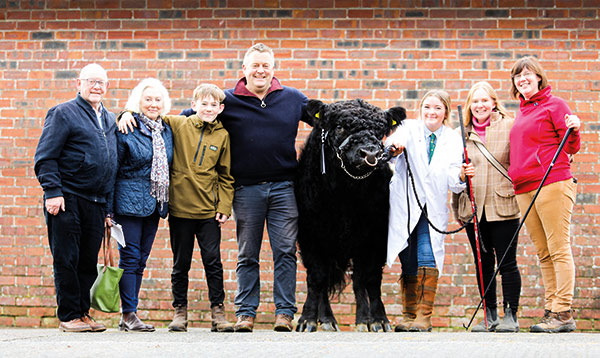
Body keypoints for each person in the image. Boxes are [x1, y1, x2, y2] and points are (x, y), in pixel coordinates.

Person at [180, 43, 310, 332]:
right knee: (247, 253)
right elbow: (186, 116)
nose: (260, 70)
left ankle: (285, 314)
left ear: (273, 69)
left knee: (285, 252)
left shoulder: (292, 98)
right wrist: (130, 114)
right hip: (246, 190)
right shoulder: (227, 100)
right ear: (245, 69)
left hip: (284, 188)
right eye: (255, 65)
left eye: (265, 65)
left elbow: (326, 119)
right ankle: (246, 313)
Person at [118, 84, 235, 333]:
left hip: (208, 212)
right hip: (180, 211)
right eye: (203, 103)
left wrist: (224, 205)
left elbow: (226, 176)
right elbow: (147, 114)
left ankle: (219, 312)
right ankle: (180, 312)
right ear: (193, 105)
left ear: (221, 108)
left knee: (213, 262)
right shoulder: (177, 124)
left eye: (214, 105)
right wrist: (125, 113)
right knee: (180, 264)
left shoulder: (223, 136)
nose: (208, 108)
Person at [34, 63, 117, 332]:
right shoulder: (63, 113)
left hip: (96, 201)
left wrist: (107, 208)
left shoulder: (109, 119)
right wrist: (53, 192)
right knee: (66, 258)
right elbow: (45, 157)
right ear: (78, 83)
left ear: (107, 87)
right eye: (91, 81)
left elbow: (111, 163)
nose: (96, 86)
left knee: (87, 262)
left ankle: (83, 313)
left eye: (101, 82)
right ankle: (69, 316)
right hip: (67, 197)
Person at [386, 89, 474, 332]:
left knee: (427, 254)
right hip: (405, 203)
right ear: (421, 109)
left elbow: (454, 181)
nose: (431, 112)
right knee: (408, 258)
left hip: (431, 207)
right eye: (427, 107)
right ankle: (409, 314)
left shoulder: (454, 139)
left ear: (445, 111)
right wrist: (394, 146)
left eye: (437, 108)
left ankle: (424, 317)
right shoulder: (408, 128)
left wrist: (461, 175)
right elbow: (389, 153)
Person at [508, 56, 581, 333]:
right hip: (524, 188)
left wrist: (575, 129)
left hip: (552, 182)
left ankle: (563, 312)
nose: (522, 79)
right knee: (544, 252)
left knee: (558, 247)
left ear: (539, 77)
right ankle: (552, 309)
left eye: (527, 74)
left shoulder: (555, 104)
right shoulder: (523, 111)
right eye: (517, 76)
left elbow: (571, 145)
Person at [450, 81, 521, 333]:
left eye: (484, 100)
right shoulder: (461, 132)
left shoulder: (510, 126)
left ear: (493, 103)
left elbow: (520, 160)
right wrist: (460, 174)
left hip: (502, 204)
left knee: (507, 262)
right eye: (475, 101)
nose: (480, 105)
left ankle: (511, 315)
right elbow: (453, 172)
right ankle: (489, 314)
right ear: (470, 105)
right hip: (473, 207)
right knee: (483, 263)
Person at [111, 78, 173, 332]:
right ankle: (128, 314)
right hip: (127, 204)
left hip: (154, 203)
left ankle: (130, 313)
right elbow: (112, 169)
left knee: (141, 259)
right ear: (138, 101)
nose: (153, 104)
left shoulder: (166, 129)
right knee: (130, 257)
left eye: (158, 99)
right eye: (148, 99)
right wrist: (108, 209)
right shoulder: (127, 125)